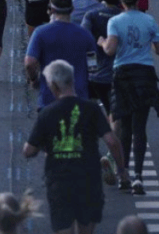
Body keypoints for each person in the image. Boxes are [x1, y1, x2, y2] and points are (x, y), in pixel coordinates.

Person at [23, 59, 128, 234]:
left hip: (59, 181)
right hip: (88, 179)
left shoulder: (47, 113)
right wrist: (122, 170)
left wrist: (45, 145)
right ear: (72, 81)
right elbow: (111, 141)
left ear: (54, 86)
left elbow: (28, 150)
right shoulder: (91, 109)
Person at [98, 0, 159, 195]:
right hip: (144, 75)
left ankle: (124, 174)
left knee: (124, 128)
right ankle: (138, 177)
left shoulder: (115, 21)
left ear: (120, 0)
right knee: (140, 128)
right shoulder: (149, 20)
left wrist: (101, 42)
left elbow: (110, 50)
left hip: (123, 76)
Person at [25, 0, 97, 109]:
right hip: (79, 96)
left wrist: (34, 79)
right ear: (72, 9)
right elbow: (93, 66)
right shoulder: (85, 34)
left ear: (51, 9)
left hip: (50, 96)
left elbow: (29, 63)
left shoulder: (40, 33)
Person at [82, 0, 123, 113]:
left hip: (95, 72)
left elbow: (85, 40)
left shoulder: (92, 15)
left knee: (90, 106)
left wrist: (91, 67)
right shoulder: (123, 16)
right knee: (115, 111)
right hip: (118, 72)